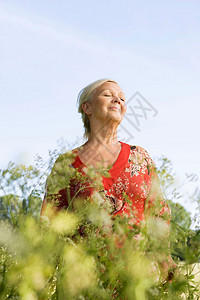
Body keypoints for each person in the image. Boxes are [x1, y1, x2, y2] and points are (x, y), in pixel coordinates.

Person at [41, 78, 170, 226]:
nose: (117, 100)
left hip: (135, 250)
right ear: (87, 107)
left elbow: (160, 215)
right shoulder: (67, 163)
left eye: (122, 98)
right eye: (108, 95)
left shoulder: (140, 158)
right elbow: (49, 222)